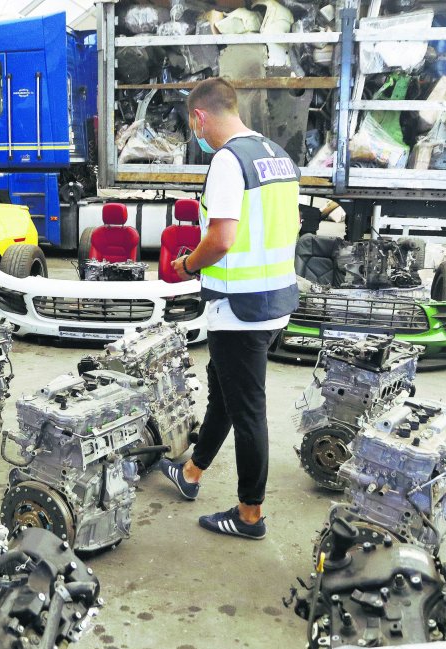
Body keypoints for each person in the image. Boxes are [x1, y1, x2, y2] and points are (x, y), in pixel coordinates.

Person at [158, 77, 301, 540]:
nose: (196, 134)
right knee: (223, 393)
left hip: (240, 307)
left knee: (247, 412)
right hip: (274, 299)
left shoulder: (227, 160)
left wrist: (186, 264)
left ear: (199, 117)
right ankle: (192, 473)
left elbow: (220, 239)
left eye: (192, 126)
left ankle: (249, 515)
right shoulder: (276, 155)